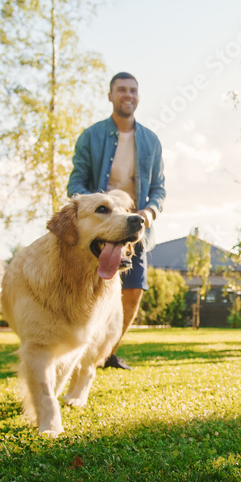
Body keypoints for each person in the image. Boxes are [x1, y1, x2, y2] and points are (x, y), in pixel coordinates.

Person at [67, 71, 166, 371]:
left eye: (133, 90)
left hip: (135, 230)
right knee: (89, 290)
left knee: (133, 289)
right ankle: (79, 352)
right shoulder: (91, 136)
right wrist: (98, 208)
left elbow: (159, 189)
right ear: (110, 96)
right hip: (99, 231)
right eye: (122, 90)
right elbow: (76, 184)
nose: (128, 95)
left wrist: (148, 213)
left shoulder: (151, 141)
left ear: (138, 96)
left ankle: (106, 354)